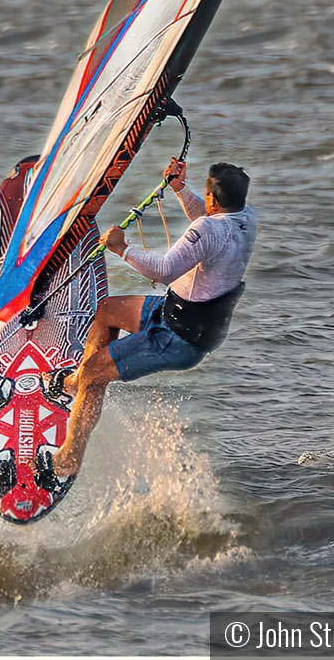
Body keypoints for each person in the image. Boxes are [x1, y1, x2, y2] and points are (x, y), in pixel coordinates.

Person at [40, 160, 257, 487]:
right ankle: (75, 385)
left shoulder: (210, 229)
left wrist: (121, 248)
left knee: (94, 375)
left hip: (179, 337)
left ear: (213, 198)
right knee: (107, 310)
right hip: (177, 313)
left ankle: (69, 457)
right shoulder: (245, 218)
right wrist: (180, 189)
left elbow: (165, 270)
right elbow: (205, 218)